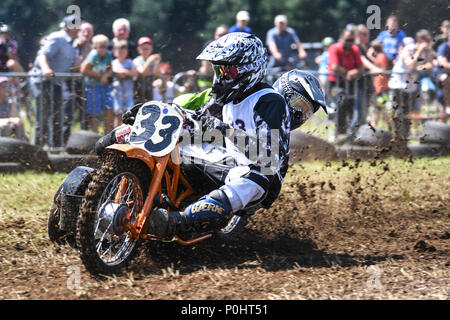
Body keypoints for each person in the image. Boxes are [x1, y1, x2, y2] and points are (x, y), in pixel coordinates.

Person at [35, 14, 79, 147]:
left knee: (58, 117)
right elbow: (42, 55)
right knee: (43, 116)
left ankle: (56, 149)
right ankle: (38, 150)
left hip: (57, 83)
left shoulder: (74, 43)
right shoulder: (57, 37)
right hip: (43, 81)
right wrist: (46, 69)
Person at [388, 31, 435, 139]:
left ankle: (405, 139)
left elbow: (430, 65)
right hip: (398, 87)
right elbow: (411, 65)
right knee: (398, 115)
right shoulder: (407, 51)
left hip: (411, 88)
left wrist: (421, 64)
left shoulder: (424, 52)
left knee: (408, 115)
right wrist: (419, 51)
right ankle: (396, 139)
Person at [327, 29, 364, 141]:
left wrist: (354, 72)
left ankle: (350, 132)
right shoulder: (335, 48)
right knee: (342, 102)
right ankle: (339, 133)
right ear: (341, 39)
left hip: (349, 84)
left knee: (352, 106)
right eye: (347, 40)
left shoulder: (355, 49)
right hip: (335, 84)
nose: (349, 42)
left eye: (351, 40)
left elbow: (361, 67)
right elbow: (334, 66)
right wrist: (347, 72)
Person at [80, 34, 114, 133]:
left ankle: (108, 135)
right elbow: (83, 69)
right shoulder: (93, 55)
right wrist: (99, 76)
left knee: (109, 108)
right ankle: (95, 137)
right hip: (92, 86)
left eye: (105, 46)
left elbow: (110, 69)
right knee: (94, 112)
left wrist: (106, 75)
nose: (103, 49)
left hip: (104, 86)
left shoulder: (108, 55)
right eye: (101, 46)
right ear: (95, 47)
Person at [111, 40, 137, 128]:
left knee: (129, 114)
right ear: (115, 52)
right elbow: (112, 72)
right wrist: (119, 73)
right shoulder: (113, 63)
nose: (121, 53)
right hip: (117, 94)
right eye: (119, 51)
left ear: (127, 52)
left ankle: (127, 133)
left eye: (123, 51)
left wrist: (125, 72)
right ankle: (116, 134)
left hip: (128, 93)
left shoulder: (130, 62)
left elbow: (134, 73)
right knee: (118, 114)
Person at [198, 25, 228, 90]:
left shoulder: (231, 48)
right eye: (220, 35)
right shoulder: (209, 46)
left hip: (223, 81)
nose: (222, 37)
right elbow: (207, 67)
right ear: (215, 35)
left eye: (224, 34)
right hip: (207, 81)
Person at [368, 40, 390, 128]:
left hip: (382, 87)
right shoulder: (379, 56)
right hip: (379, 87)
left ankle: (375, 126)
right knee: (380, 108)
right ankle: (387, 126)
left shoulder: (381, 56)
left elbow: (383, 69)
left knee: (378, 108)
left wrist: (374, 71)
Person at [133, 36, 161, 103]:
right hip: (139, 89)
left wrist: (157, 63)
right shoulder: (137, 60)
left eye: (147, 48)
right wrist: (149, 61)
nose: (145, 51)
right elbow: (142, 73)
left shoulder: (153, 61)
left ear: (151, 49)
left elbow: (156, 74)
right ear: (138, 49)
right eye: (143, 48)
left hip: (150, 88)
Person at [436, 30, 450, 120]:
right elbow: (442, 63)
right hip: (440, 74)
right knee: (446, 78)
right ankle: (448, 105)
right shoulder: (443, 47)